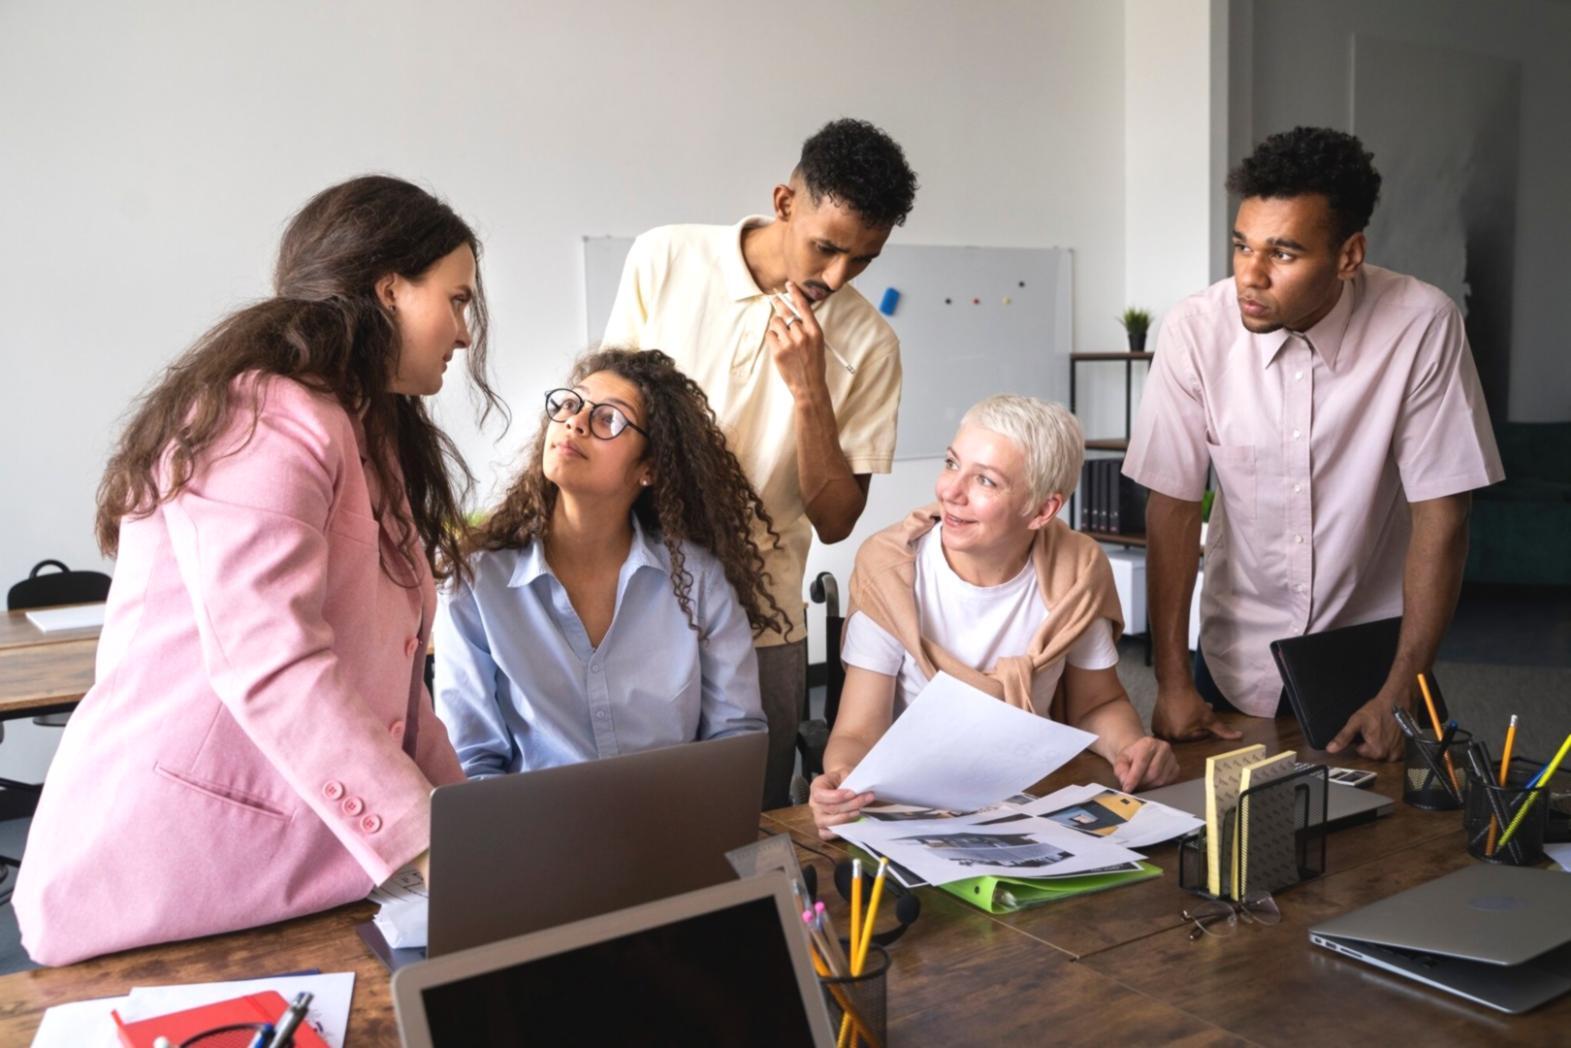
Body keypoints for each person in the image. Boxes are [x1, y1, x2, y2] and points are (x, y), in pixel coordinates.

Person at [14, 176, 498, 966]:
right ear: (389, 290)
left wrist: (474, 834)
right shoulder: (265, 415)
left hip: (295, 870)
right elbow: (272, 663)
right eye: (457, 300)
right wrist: (433, 846)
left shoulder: (361, 428)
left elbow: (393, 691)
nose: (464, 333)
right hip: (168, 869)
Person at [1125, 127, 1503, 759]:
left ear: (1349, 255)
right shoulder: (1195, 330)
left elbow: (1443, 514)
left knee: (1392, 823)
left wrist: (1400, 690)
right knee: (1220, 819)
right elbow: (1172, 508)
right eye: (1242, 245)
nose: (1250, 275)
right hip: (1233, 658)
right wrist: (1170, 680)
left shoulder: (1421, 324)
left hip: (1373, 663)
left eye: (1283, 253)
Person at [602, 118, 919, 808]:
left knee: (757, 821)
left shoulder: (871, 344)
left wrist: (810, 392)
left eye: (863, 260)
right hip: (636, 597)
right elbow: (611, 422)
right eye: (826, 247)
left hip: (765, 621)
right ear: (784, 203)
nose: (837, 277)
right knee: (632, 813)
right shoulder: (666, 257)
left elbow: (836, 521)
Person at [810, 396, 1179, 838]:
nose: (950, 491)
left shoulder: (1077, 572)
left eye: (985, 480)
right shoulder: (891, 572)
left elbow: (1097, 704)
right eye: (952, 463)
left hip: (1032, 795)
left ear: (1042, 510)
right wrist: (842, 780)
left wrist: (1132, 747)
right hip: (914, 802)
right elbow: (858, 731)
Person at [434, 349, 786, 777]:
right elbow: (471, 763)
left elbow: (736, 737)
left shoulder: (699, 581)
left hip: (673, 813)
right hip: (532, 820)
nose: (575, 422)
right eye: (570, 403)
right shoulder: (475, 581)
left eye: (608, 419)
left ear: (649, 468)